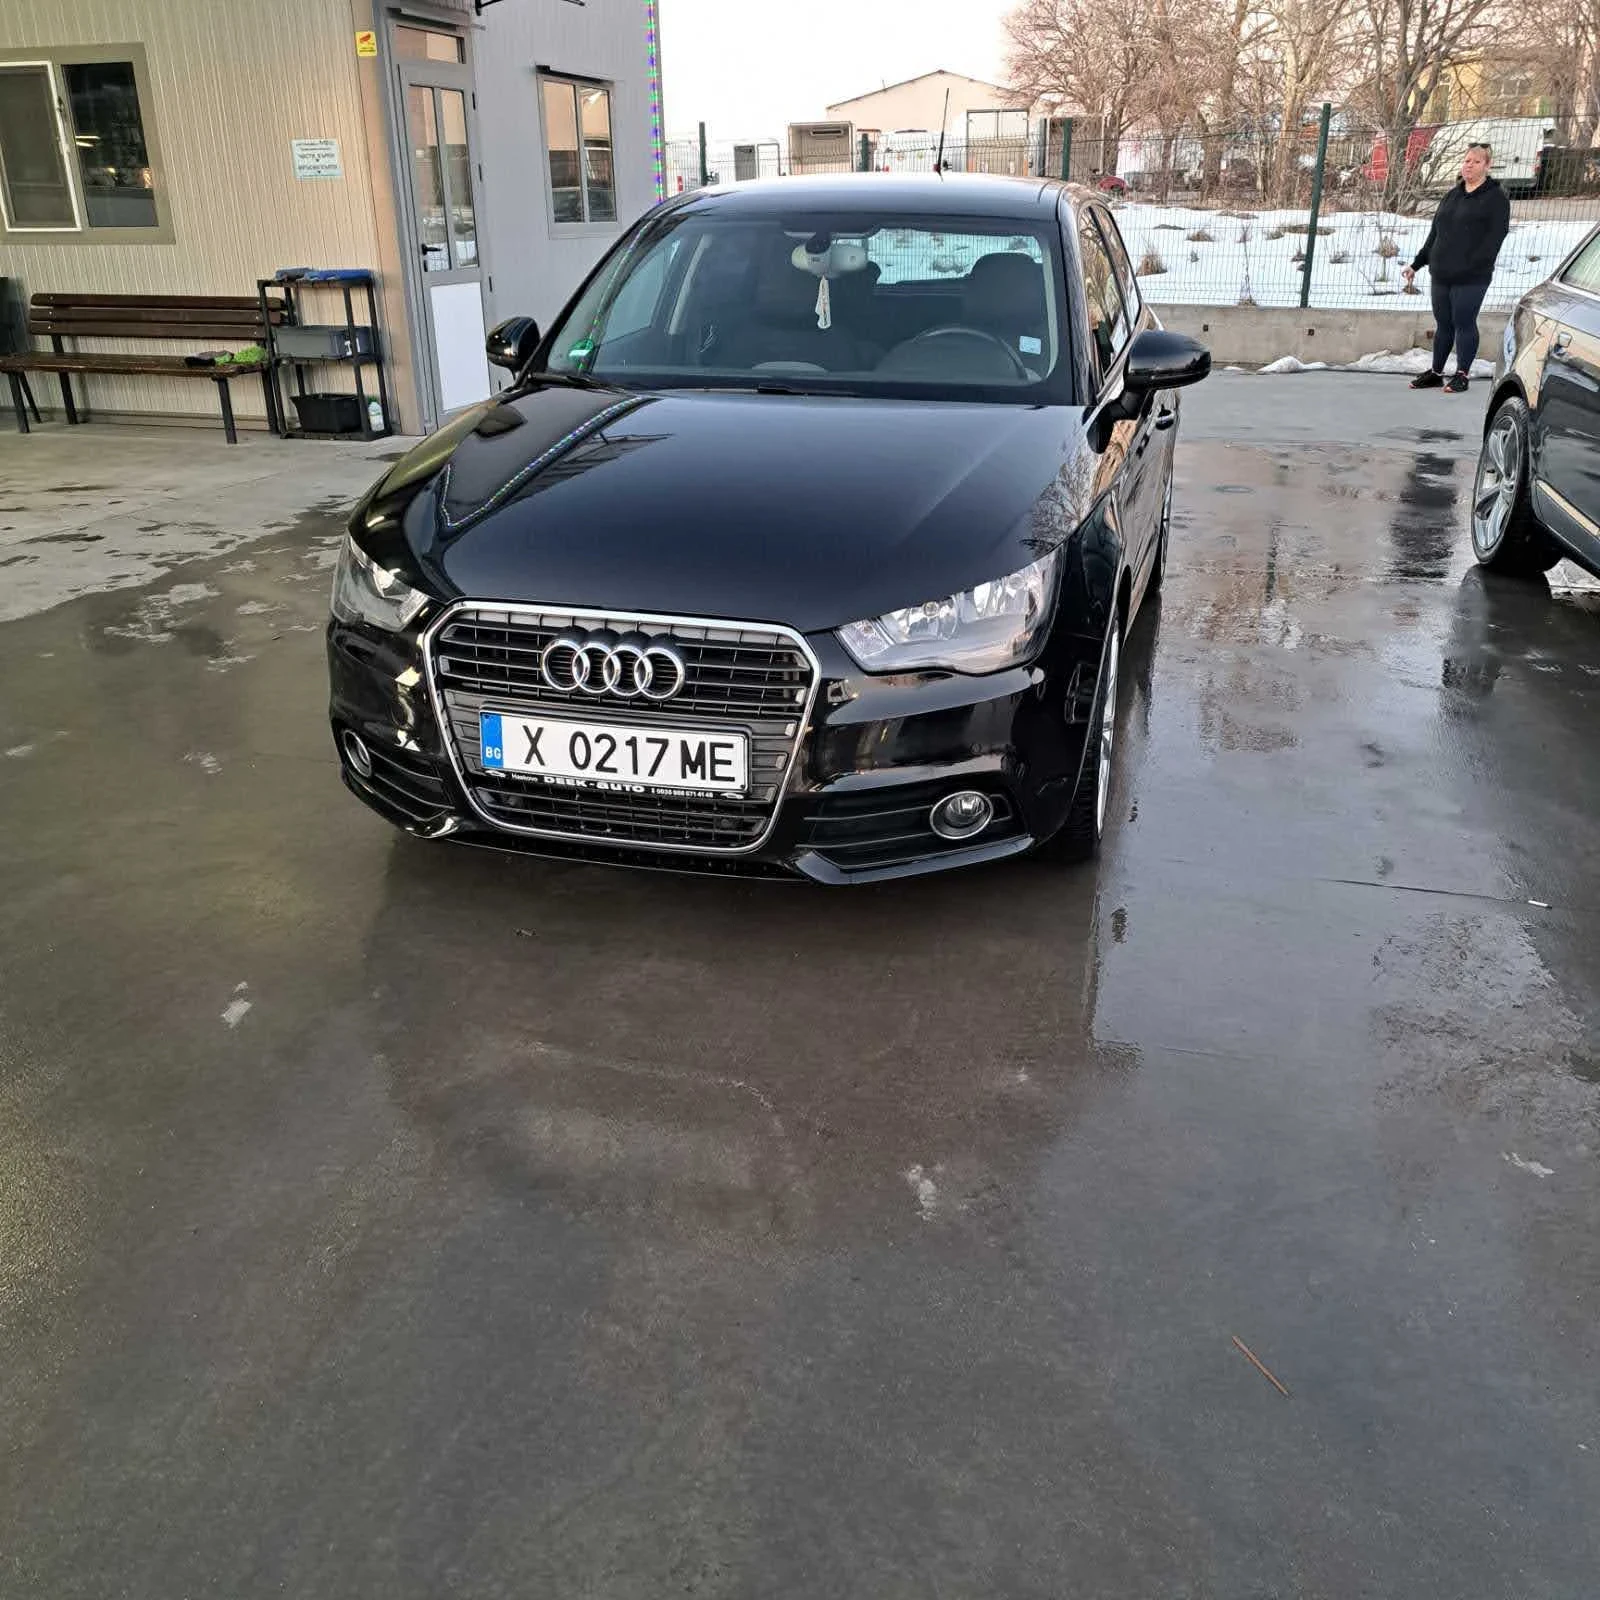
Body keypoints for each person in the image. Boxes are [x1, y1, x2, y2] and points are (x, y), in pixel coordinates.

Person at [1402, 143, 1510, 393]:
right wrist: (1417, 263)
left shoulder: (1495, 198)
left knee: (1464, 322)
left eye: (1476, 161)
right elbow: (1435, 233)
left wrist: (1475, 264)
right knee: (1444, 324)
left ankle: (1462, 374)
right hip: (1442, 272)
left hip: (1472, 276)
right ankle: (1436, 373)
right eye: (1467, 160)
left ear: (1487, 165)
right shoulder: (1452, 195)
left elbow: (1495, 238)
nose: (1469, 165)